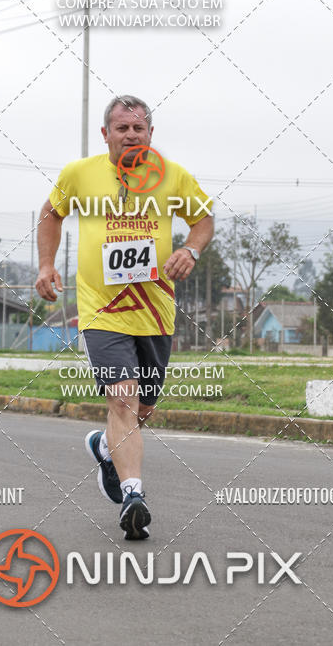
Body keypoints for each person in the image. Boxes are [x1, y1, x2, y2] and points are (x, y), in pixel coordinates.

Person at [35, 95, 214, 540]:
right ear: (106, 134)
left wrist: (191, 249)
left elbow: (203, 219)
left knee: (143, 408)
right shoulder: (80, 174)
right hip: (101, 311)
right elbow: (50, 215)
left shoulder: (172, 175)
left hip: (155, 312)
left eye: (139, 128)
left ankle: (103, 446)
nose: (131, 135)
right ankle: (133, 494)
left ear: (151, 134)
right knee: (122, 400)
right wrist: (45, 264)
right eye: (122, 128)